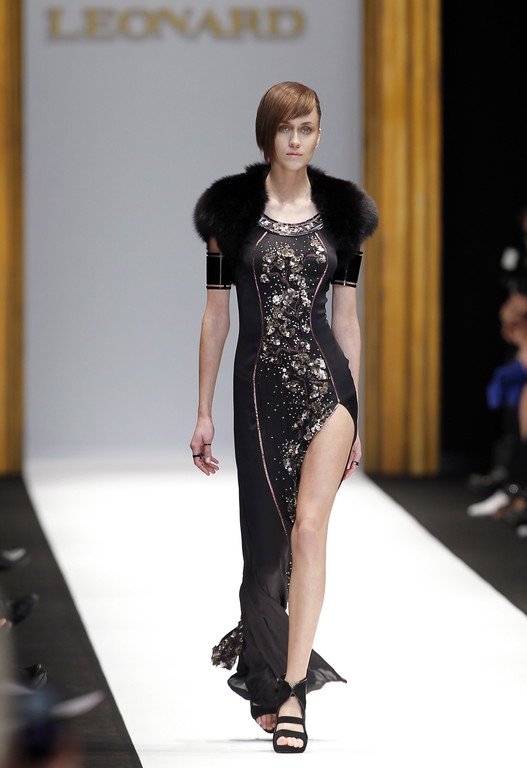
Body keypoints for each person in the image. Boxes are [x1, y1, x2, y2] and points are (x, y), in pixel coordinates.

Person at [190, 81, 378, 753]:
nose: (295, 140)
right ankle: (263, 667)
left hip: (329, 392)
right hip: (257, 395)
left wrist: (356, 411)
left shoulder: (345, 215)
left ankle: (294, 691)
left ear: (319, 133)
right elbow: (216, 316)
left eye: (307, 128)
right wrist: (203, 410)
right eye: (284, 128)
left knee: (308, 534)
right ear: (266, 134)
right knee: (265, 554)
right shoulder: (230, 212)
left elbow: (345, 319)